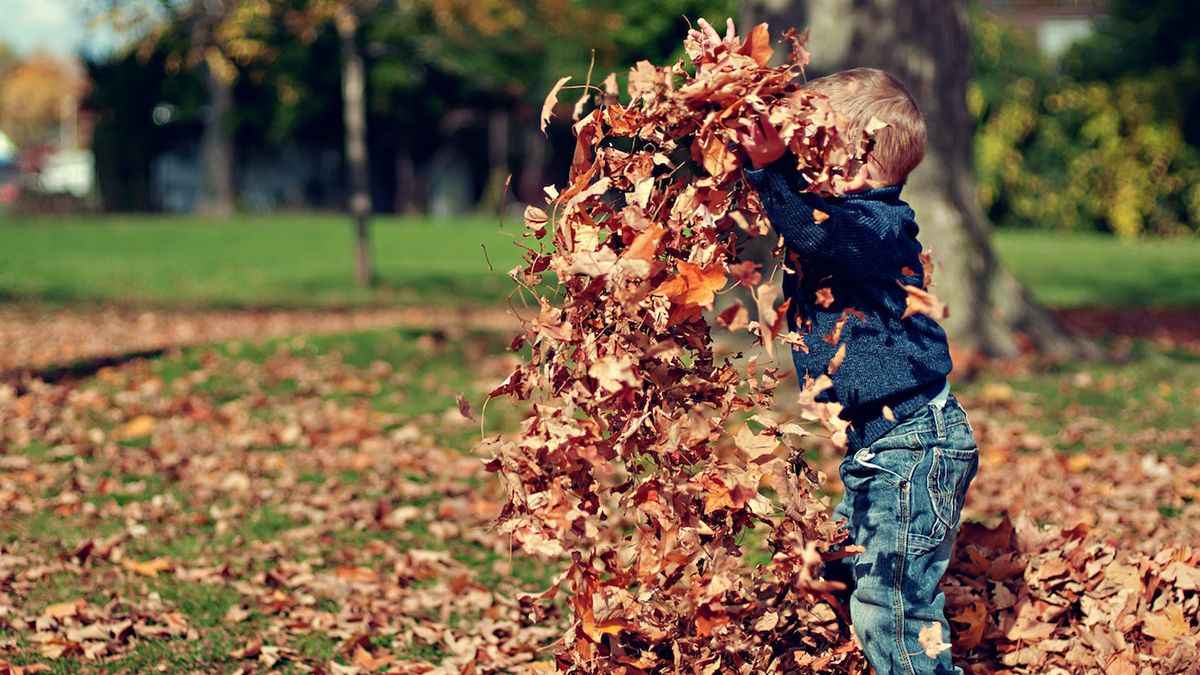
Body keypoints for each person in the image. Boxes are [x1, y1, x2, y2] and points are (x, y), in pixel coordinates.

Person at [692, 18, 981, 675]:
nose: (803, 162)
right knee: (844, 568)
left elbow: (816, 233)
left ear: (857, 160)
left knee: (893, 610)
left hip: (914, 448)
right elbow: (805, 219)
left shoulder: (877, 227)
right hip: (881, 448)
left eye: (815, 148)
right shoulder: (847, 218)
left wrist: (772, 173)